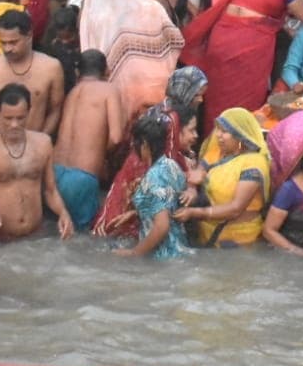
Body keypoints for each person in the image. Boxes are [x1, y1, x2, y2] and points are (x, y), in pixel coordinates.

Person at [182, 0, 303, 123]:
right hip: (249, 45)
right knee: (243, 101)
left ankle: (213, 138)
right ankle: (239, 136)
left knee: (218, 96)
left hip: (221, 38)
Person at [0, 84, 74, 240]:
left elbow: (50, 190)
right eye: (8, 118)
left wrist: (63, 213)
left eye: (20, 118)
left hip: (36, 236)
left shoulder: (44, 143)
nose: (14, 124)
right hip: (0, 236)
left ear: (29, 112)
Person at [53, 50, 128, 232]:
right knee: (85, 236)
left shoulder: (73, 92)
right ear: (107, 71)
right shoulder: (109, 90)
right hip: (82, 177)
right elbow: (116, 137)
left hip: (54, 172)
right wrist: (101, 155)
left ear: (78, 72)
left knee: (59, 230)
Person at [177, 106, 269, 247]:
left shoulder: (253, 164)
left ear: (240, 135)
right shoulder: (217, 152)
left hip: (239, 239)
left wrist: (193, 213)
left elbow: (235, 209)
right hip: (208, 232)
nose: (218, 135)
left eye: (224, 131)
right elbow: (197, 173)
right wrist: (192, 189)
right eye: (218, 129)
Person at [115, 109, 192, 260]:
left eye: (135, 144)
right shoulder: (171, 165)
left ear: (144, 144)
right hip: (180, 248)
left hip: (161, 256)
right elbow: (168, 204)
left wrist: (134, 253)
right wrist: (137, 213)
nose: (134, 148)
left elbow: (162, 226)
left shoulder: (152, 178)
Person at [0, 9, 66, 135]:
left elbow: (55, 110)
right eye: (3, 43)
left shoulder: (51, 68)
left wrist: (42, 140)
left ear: (29, 35)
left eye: (13, 42)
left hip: (34, 142)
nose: (7, 48)